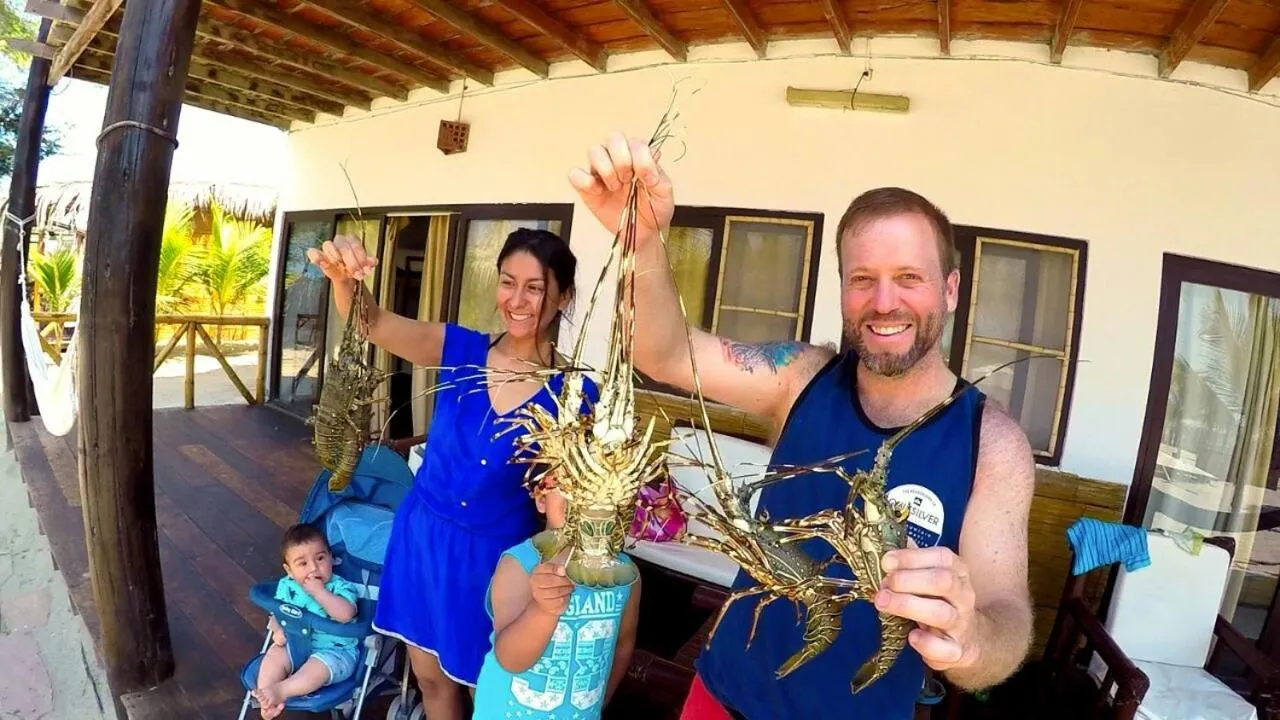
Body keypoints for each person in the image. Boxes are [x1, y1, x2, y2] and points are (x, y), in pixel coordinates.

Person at [567, 134, 1035, 718]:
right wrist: (642, 241)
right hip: (718, 696)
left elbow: (1007, 621)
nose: (884, 301)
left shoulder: (993, 443)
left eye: (909, 277)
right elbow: (662, 354)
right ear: (843, 289)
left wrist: (970, 639)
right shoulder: (802, 377)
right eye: (863, 278)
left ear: (950, 289)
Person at [305, 227, 599, 720]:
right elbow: (373, 322)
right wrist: (346, 278)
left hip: (494, 562)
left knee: (491, 690)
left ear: (564, 296)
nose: (517, 299)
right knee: (430, 679)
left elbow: (564, 504)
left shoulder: (575, 396)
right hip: (423, 538)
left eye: (535, 286)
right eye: (508, 282)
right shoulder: (460, 349)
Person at [472, 476, 641, 718]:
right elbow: (509, 659)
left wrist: (596, 706)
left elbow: (622, 645)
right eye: (571, 484)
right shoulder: (519, 564)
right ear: (542, 499)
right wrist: (542, 610)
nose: (586, 497)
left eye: (601, 486)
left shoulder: (625, 576)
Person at [253, 524, 361, 719]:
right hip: (296, 644)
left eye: (320, 558)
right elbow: (278, 613)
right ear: (289, 570)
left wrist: (320, 592)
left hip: (335, 653)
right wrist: (277, 629)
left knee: (315, 668)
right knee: (274, 654)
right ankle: (266, 695)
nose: (313, 568)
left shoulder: (340, 587)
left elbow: (346, 614)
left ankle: (281, 691)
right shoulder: (287, 586)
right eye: (302, 564)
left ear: (330, 557)